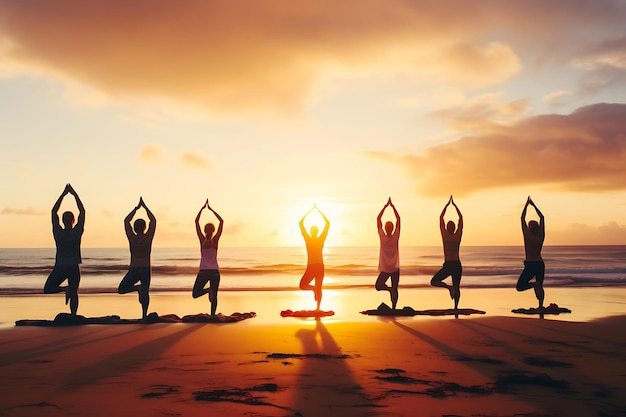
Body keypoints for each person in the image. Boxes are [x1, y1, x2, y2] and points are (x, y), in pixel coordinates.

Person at [44, 183, 85, 315]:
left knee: (48, 288)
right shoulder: (77, 231)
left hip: (61, 266)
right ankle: (73, 314)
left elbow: (53, 212)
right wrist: (74, 194)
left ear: (62, 220)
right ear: (73, 221)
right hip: (73, 266)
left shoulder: (58, 232)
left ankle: (65, 289)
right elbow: (82, 211)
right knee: (74, 292)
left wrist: (63, 194)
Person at [118, 197, 156, 319]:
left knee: (122, 289)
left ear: (134, 228)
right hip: (145, 268)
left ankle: (137, 289)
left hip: (134, 268)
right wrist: (145, 207)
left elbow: (126, 221)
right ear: (144, 228)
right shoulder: (148, 238)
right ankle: (144, 315)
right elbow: (153, 221)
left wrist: (136, 209)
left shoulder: (132, 238)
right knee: (145, 292)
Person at [430, 196, 463, 309]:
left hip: (449, 264)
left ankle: (449, 288)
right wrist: (454, 206)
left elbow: (441, 219)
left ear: (447, 228)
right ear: (454, 228)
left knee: (434, 281)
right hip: (457, 264)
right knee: (457, 287)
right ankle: (456, 307)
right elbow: (461, 219)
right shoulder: (458, 236)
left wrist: (447, 206)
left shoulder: (445, 236)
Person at [192, 199, 224, 316]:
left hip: (204, 272)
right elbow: (221, 221)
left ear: (205, 230)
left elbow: (196, 222)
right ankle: (212, 315)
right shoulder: (215, 240)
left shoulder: (202, 240)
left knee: (195, 294)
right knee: (214, 296)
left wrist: (202, 209)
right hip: (215, 272)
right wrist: (211, 210)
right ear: (213, 230)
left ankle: (208, 291)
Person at [299, 204, 330, 310]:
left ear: (311, 232)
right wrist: (318, 210)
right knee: (318, 288)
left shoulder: (308, 239)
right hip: (319, 266)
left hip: (312, 266)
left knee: (303, 285)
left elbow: (301, 223)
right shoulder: (321, 239)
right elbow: (327, 223)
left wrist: (310, 210)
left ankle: (314, 293)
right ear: (316, 231)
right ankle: (318, 307)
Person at [517, 196, 545, 308]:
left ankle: (533, 285)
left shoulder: (527, 236)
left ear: (529, 227)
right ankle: (540, 306)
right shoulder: (541, 236)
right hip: (540, 264)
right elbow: (542, 217)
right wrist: (534, 206)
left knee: (520, 287)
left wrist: (526, 205)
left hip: (530, 264)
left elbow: (521, 218)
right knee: (540, 285)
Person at [375, 198, 401, 309]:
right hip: (394, 268)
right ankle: (394, 307)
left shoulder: (383, 237)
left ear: (386, 228)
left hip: (387, 268)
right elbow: (398, 219)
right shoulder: (396, 236)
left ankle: (390, 292)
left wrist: (385, 207)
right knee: (394, 288)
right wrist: (393, 207)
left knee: (379, 286)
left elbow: (378, 219)